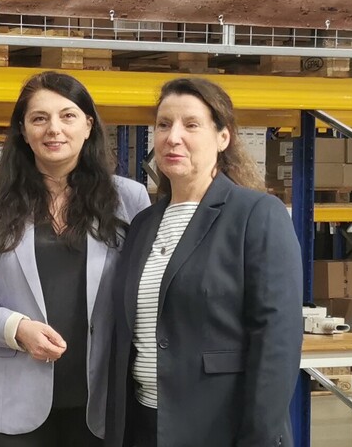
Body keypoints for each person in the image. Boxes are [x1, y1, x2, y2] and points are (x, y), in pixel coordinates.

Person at [0, 72, 151, 447]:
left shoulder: (129, 199)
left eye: (67, 116)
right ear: (24, 132)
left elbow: (143, 295)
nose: (53, 129)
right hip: (17, 405)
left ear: (89, 125)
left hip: (102, 402)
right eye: (39, 118)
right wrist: (16, 329)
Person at [103, 77, 303, 447]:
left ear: (223, 137)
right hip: (143, 425)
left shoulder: (256, 214)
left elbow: (277, 339)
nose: (172, 137)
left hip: (220, 427)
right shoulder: (145, 223)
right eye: (164, 124)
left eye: (191, 125)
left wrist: (258, 436)